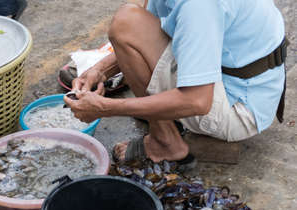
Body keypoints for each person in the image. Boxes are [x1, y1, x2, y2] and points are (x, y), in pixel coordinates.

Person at [64, 0, 287, 166]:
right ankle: (161, 115)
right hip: (247, 83)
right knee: (131, 21)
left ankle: (165, 142)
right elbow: (151, 32)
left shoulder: (199, 6)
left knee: (125, 22)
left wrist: (105, 108)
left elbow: (197, 101)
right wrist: (100, 70)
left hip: (239, 109)